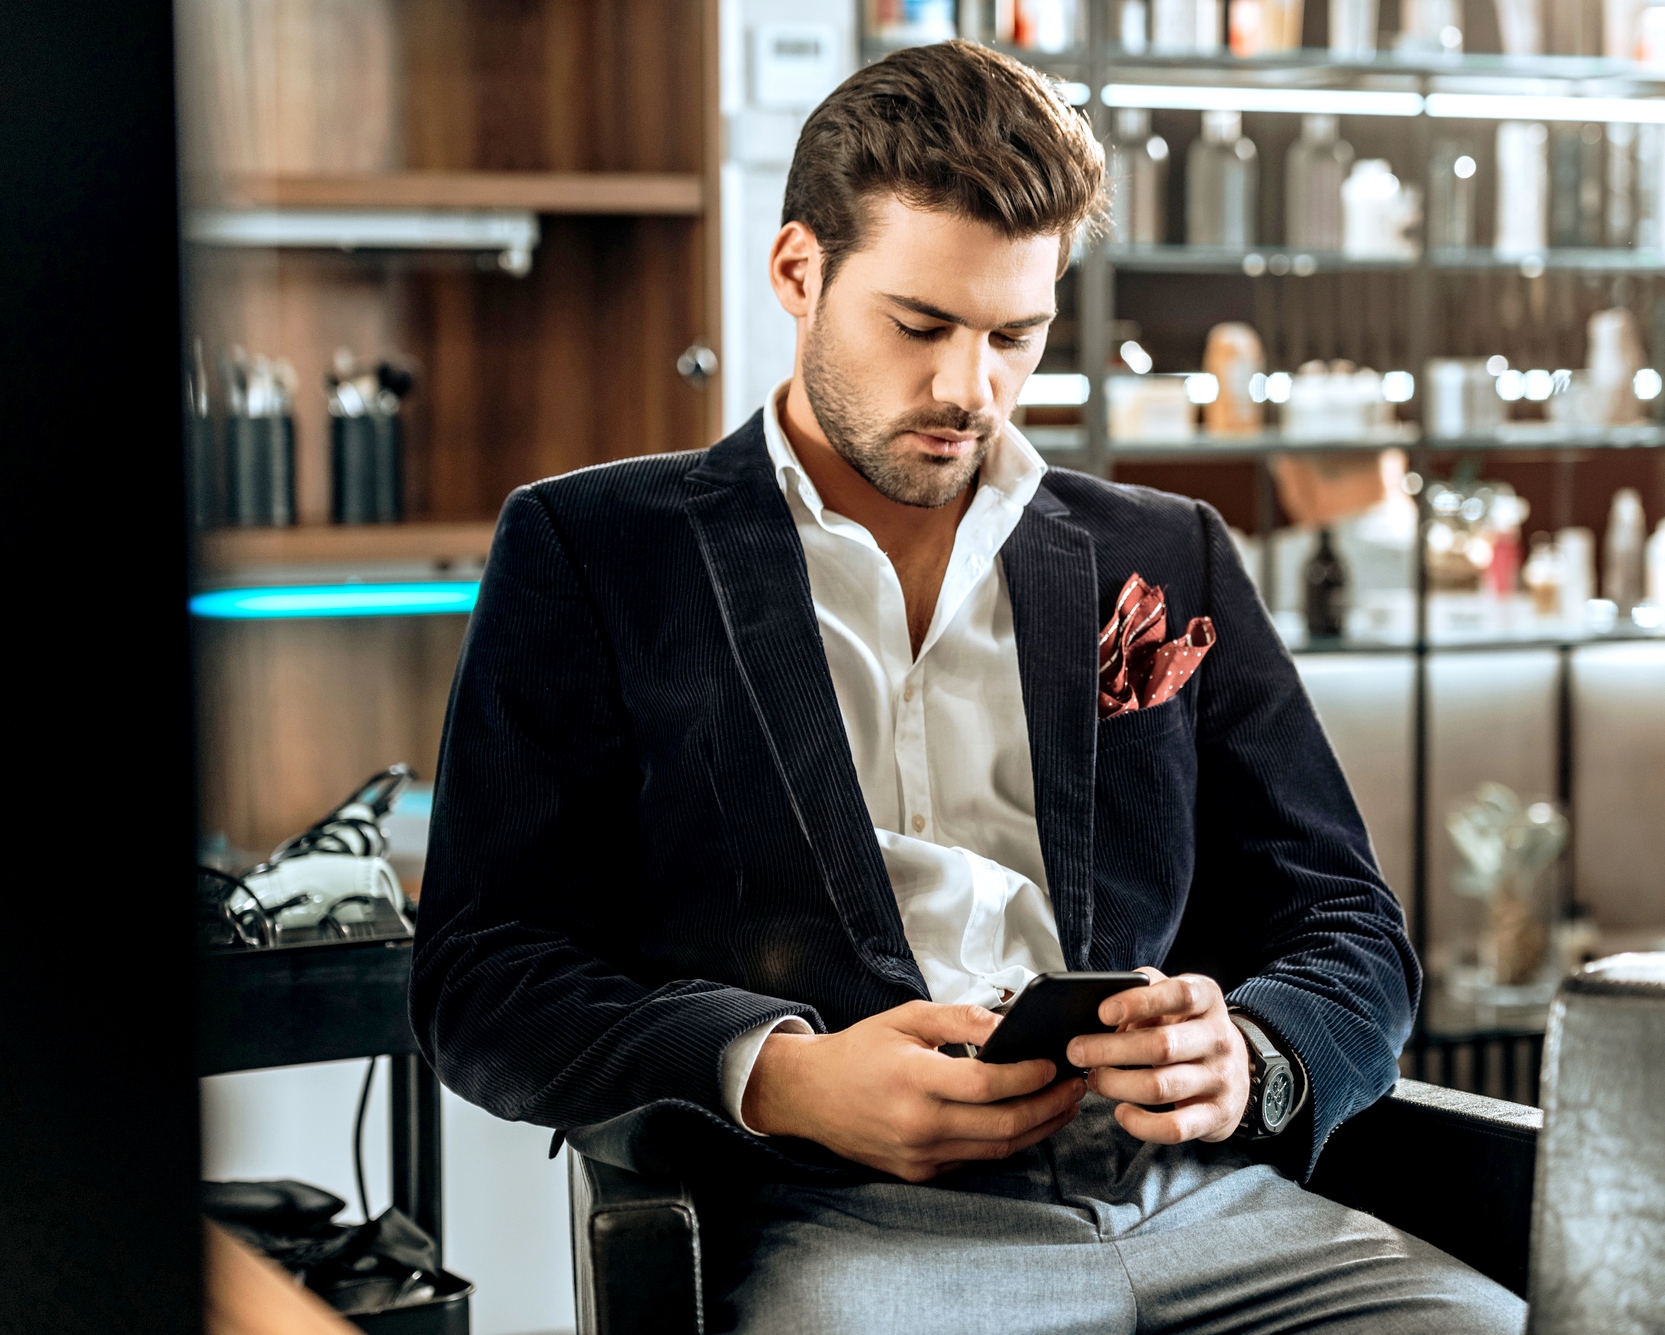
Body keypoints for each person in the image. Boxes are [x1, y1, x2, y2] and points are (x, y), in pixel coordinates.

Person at [411, 40, 1523, 1335]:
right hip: (852, 1225)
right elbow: (481, 974)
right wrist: (780, 1075)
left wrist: (1255, 1056)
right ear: (797, 273)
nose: (968, 389)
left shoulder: (1166, 556)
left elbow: (1352, 927)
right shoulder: (598, 553)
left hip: (1206, 1204)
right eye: (920, 326)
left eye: (1016, 335)